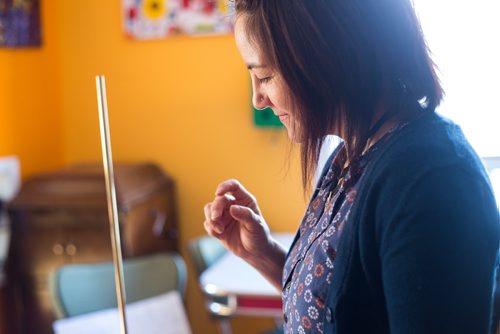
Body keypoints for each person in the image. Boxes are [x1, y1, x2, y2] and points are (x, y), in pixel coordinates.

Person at [203, 0, 500, 333]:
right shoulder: (353, 156)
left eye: (265, 76)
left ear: (325, 57)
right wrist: (263, 254)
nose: (258, 99)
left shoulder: (432, 183)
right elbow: (344, 306)